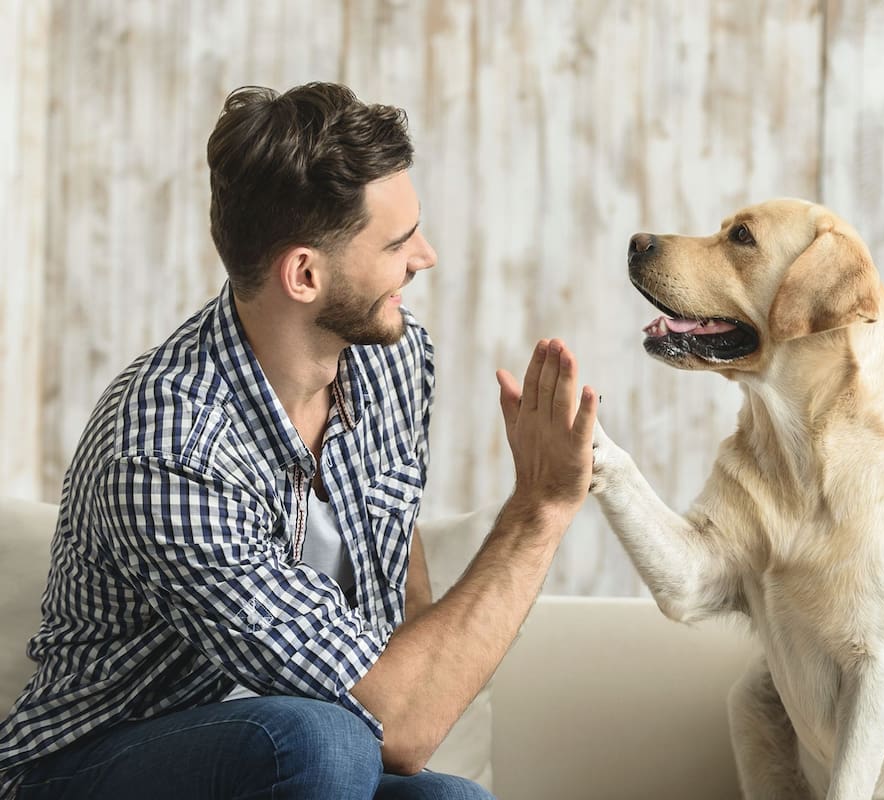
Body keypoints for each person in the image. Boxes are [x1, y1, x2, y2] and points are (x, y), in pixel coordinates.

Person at [0, 82, 598, 800]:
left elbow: (400, 603)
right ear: (305, 274)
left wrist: (409, 711)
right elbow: (396, 724)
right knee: (320, 740)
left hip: (312, 764)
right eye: (399, 242)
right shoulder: (167, 447)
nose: (426, 257)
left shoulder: (392, 359)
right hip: (88, 769)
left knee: (450, 799)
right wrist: (540, 510)